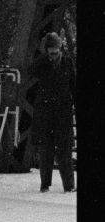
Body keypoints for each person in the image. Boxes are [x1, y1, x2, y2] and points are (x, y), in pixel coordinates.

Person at [30, 32, 75, 192]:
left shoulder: (68, 63)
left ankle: (69, 185)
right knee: (46, 150)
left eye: (56, 49)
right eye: (51, 50)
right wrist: (43, 57)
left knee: (65, 150)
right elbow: (31, 70)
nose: (54, 53)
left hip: (63, 112)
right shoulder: (42, 64)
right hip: (46, 113)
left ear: (60, 48)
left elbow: (74, 84)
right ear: (47, 50)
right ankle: (45, 184)